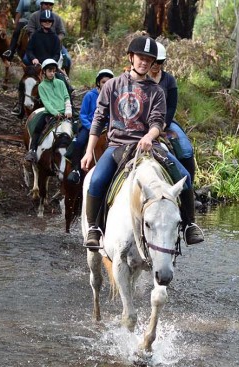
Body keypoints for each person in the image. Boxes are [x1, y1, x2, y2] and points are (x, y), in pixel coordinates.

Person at [81, 36, 205, 249]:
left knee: (184, 176)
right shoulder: (112, 85)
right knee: (97, 179)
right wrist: (88, 150)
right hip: (117, 145)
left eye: (149, 59)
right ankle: (94, 228)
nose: (144, 62)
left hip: (149, 145)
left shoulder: (156, 91)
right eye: (141, 57)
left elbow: (158, 121)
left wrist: (149, 136)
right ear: (131, 57)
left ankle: (189, 225)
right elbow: (98, 119)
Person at [149, 41, 197, 182]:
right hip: (143, 121)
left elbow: (171, 106)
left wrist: (163, 124)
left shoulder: (169, 80)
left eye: (160, 61)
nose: (157, 64)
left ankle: (190, 188)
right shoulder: (140, 78)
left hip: (166, 121)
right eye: (155, 61)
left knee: (186, 149)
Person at [66, 68, 114, 184]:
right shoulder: (90, 95)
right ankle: (76, 169)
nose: (105, 85)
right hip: (89, 126)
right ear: (98, 82)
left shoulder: (114, 97)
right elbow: (83, 115)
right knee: (80, 142)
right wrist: (91, 127)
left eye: (108, 82)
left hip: (106, 128)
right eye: (103, 82)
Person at [25, 59, 72, 163]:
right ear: (44, 72)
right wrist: (55, 113)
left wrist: (68, 109)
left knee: (77, 128)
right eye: (49, 71)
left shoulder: (60, 83)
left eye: (53, 71)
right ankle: (32, 150)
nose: (51, 73)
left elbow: (66, 96)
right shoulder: (41, 86)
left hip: (65, 113)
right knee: (37, 128)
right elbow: (46, 103)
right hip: (50, 114)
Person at [22, 0, 72, 73]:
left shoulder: (57, 17)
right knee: (26, 59)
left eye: (50, 4)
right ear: (41, 4)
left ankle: (66, 78)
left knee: (67, 59)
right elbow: (30, 29)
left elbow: (62, 32)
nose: (48, 6)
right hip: (37, 43)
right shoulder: (34, 16)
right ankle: (33, 74)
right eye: (46, 4)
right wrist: (38, 38)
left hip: (54, 43)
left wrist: (56, 40)